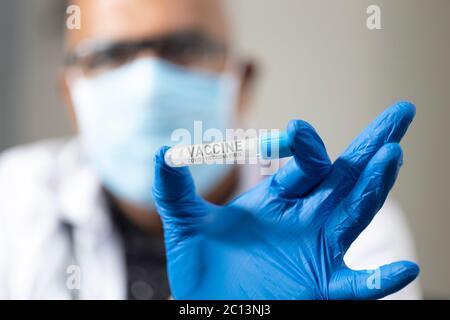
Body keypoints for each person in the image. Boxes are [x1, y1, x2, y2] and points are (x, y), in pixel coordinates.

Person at [0, 0, 421, 299]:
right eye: (110, 55)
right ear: (70, 96)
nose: (147, 84)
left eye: (185, 49)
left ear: (243, 82)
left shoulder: (337, 219)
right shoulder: (12, 202)